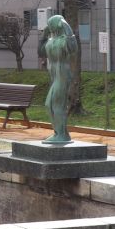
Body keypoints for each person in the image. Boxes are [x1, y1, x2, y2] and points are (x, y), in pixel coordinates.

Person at [39, 15, 79, 144]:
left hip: (63, 73)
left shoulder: (64, 40)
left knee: (57, 104)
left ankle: (61, 134)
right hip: (55, 75)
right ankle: (61, 133)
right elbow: (40, 52)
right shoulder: (52, 40)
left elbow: (73, 46)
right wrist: (44, 35)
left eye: (52, 24)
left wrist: (66, 25)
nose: (50, 27)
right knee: (48, 104)